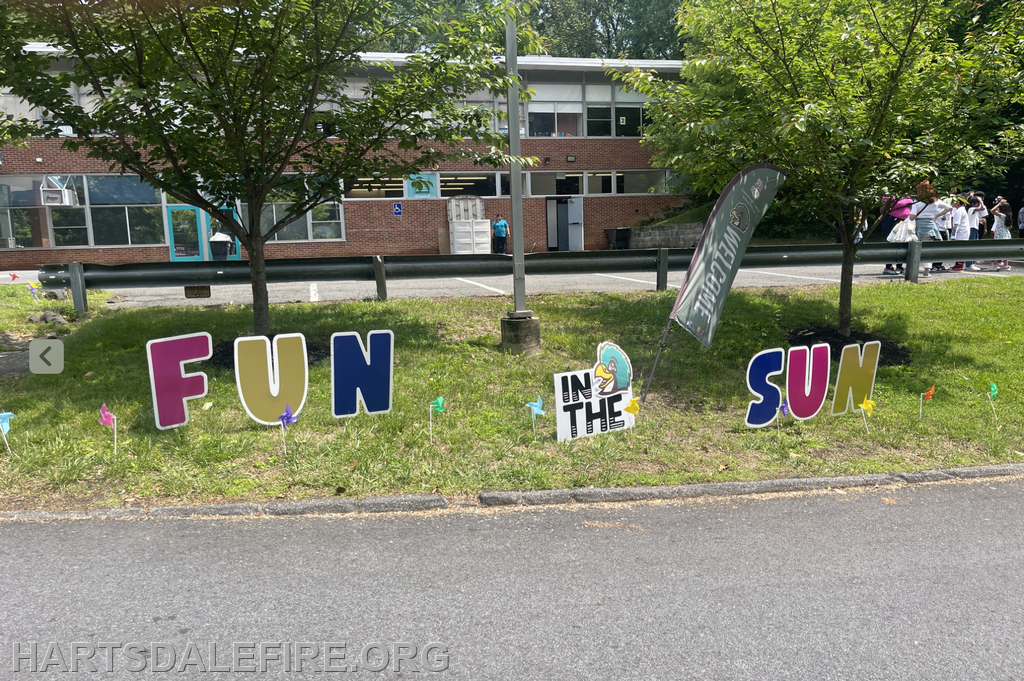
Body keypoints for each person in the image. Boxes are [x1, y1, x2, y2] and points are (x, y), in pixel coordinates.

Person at [907, 181, 952, 277]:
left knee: (912, 248)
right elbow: (949, 207)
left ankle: (906, 270)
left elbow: (912, 216)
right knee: (927, 249)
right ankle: (926, 271)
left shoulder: (917, 201)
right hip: (930, 227)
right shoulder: (936, 201)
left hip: (917, 227)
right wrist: (936, 215)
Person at [881, 196, 912, 275]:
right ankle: (888, 267)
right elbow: (882, 210)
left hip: (904, 222)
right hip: (892, 220)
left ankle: (899, 266)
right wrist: (887, 202)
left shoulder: (908, 196)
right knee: (891, 243)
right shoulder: (889, 195)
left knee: (902, 243)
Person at [964, 195, 988, 271]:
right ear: (973, 203)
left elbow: (974, 219)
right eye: (977, 203)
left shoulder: (972, 210)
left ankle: (972, 263)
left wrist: (980, 221)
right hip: (972, 229)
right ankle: (969, 264)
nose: (979, 204)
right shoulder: (972, 208)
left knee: (974, 247)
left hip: (975, 228)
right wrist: (981, 200)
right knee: (971, 247)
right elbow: (983, 208)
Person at [990, 198, 1012, 270]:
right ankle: (1006, 265)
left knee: (996, 249)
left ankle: (996, 264)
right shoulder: (1008, 215)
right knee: (1006, 250)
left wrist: (999, 204)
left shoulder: (1002, 215)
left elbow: (992, 211)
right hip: (1006, 233)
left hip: (999, 233)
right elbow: (1010, 226)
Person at [950, 196, 970, 271]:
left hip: (961, 232)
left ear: (958, 202)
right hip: (963, 232)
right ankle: (958, 264)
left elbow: (956, 224)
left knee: (959, 248)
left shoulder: (959, 211)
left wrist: (953, 236)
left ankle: (959, 265)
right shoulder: (962, 209)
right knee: (961, 248)